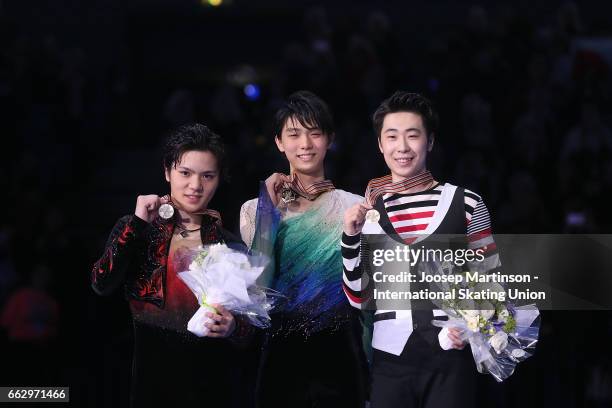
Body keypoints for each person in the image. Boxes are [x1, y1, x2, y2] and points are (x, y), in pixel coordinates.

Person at [341, 92, 501, 408]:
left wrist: (468, 327)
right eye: (392, 137)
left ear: (429, 142)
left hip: (451, 361)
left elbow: (491, 284)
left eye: (413, 136)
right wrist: (350, 237)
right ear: (380, 145)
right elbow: (359, 298)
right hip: (389, 362)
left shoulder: (467, 203)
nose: (402, 147)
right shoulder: (368, 213)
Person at [92, 123, 253, 407]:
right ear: (167, 171)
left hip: (210, 387)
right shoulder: (139, 230)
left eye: (207, 176)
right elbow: (101, 283)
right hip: (144, 383)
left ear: (218, 180)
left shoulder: (228, 245)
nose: (195, 186)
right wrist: (137, 224)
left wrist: (233, 327)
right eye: (185, 173)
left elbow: (248, 333)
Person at [240, 91, 368, 408]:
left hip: (340, 354)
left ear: (330, 139)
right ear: (279, 142)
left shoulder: (355, 208)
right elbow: (258, 288)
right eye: (294, 134)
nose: (305, 144)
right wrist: (268, 215)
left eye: (315, 133)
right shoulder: (252, 210)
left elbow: (366, 292)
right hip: (280, 356)